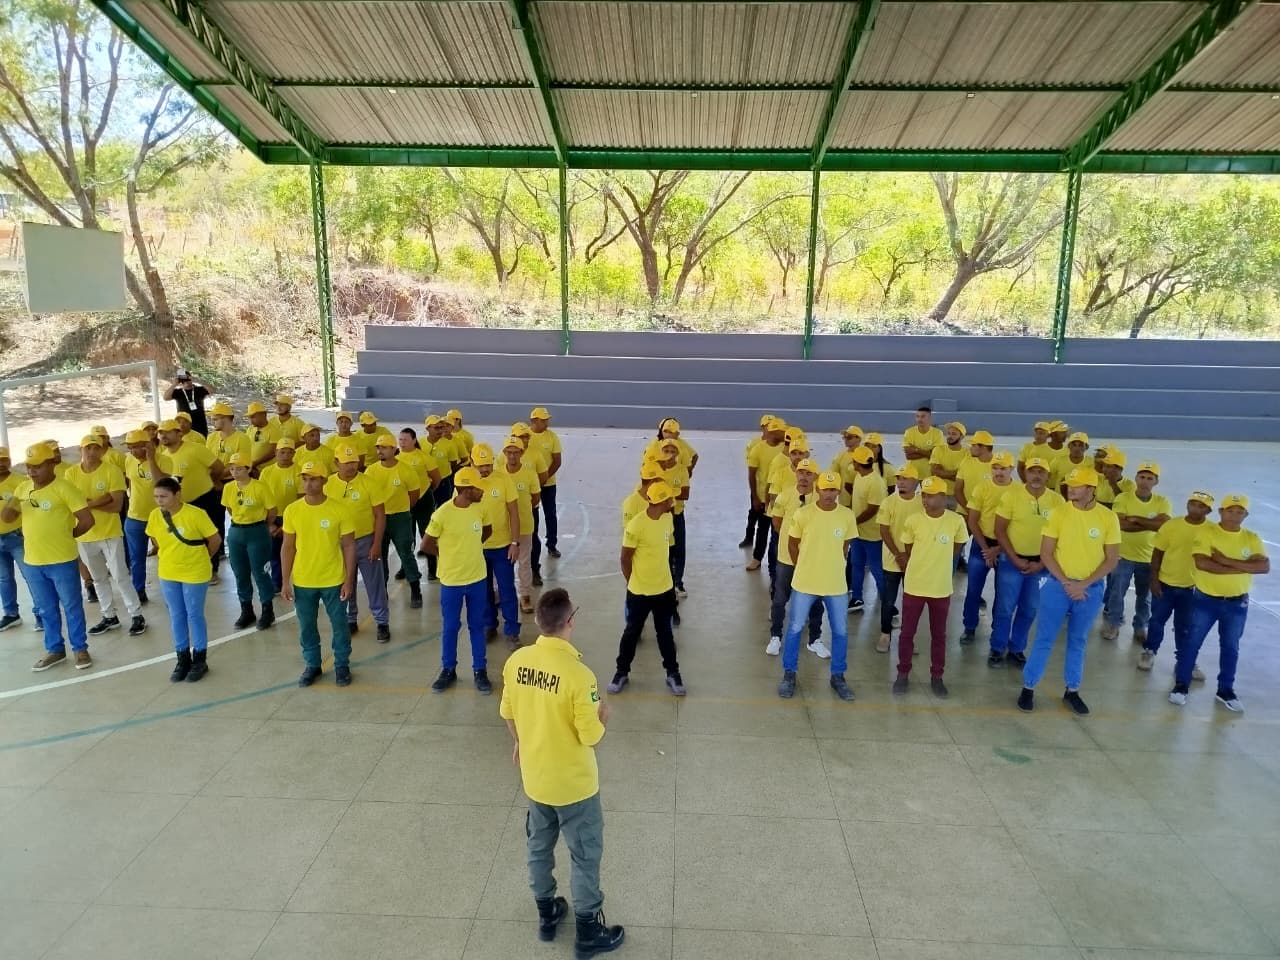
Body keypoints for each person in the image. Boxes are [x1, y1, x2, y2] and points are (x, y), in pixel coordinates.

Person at [500, 588, 625, 958]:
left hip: (536, 780)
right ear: (570, 621)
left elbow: (509, 714)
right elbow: (589, 736)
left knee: (538, 846)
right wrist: (603, 716)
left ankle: (546, 913)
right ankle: (588, 930)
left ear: (539, 621)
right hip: (575, 786)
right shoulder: (579, 675)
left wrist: (522, 742)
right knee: (585, 853)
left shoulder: (517, 662)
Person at [1017, 467, 1120, 716]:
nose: (1071, 489)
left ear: (1091, 489)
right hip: (1058, 586)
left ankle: (1072, 690)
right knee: (1044, 638)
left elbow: (1111, 559)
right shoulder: (1059, 513)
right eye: (1070, 485)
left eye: (1077, 485)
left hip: (1089, 590)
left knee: (1078, 640)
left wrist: (1082, 585)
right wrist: (1066, 583)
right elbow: (1046, 553)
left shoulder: (1108, 518)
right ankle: (1028, 687)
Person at [1171, 495, 1269, 712]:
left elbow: (1263, 566)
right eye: (1230, 511)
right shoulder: (1207, 533)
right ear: (1221, 512)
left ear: (1246, 515)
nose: (1234, 515)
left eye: (1239, 511)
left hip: (1237, 604)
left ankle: (1225, 690)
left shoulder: (1251, 537)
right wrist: (1244, 566)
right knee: (1192, 642)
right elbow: (1203, 563)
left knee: (1231, 647)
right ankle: (1181, 685)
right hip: (1206, 600)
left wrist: (1225, 561)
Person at [1, 443, 94, 670]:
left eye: (38, 466)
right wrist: (10, 503)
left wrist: (67, 536)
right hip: (33, 561)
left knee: (71, 605)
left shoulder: (65, 488)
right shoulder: (22, 489)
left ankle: (80, 649)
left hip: (62, 559)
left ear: (51, 464)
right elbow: (7, 517)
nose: (32, 471)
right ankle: (55, 649)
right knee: (46, 608)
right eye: (29, 466)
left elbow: (87, 520)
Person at [776, 471, 855, 701]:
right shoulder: (803, 514)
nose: (829, 494)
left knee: (840, 631)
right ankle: (789, 673)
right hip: (805, 582)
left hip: (835, 584)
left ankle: (838, 675)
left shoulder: (847, 516)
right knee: (795, 628)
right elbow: (792, 543)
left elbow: (845, 546)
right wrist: (804, 566)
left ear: (838, 491)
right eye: (825, 489)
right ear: (817, 490)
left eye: (833, 490)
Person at [282, 459, 357, 687]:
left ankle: (342, 664)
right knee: (306, 626)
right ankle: (312, 664)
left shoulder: (339, 509)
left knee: (340, 625)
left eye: (313, 479)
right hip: (304, 580)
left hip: (333, 579)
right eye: (304, 479)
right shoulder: (293, 510)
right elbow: (288, 546)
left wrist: (348, 579)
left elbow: (349, 546)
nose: (308, 483)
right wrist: (286, 580)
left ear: (324, 480)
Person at [609, 480, 685, 697]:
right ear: (661, 500)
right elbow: (625, 558)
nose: (673, 501)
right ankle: (621, 671)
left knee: (665, 633)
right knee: (631, 633)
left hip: (664, 590)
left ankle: (673, 673)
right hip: (640, 592)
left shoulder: (668, 519)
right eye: (670, 498)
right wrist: (633, 581)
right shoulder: (636, 526)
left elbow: (668, 551)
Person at [65, 434, 146, 637]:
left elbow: (116, 505)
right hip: (84, 535)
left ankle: (136, 615)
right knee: (98, 578)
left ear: (102, 450)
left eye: (96, 448)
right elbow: (70, 506)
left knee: (120, 575)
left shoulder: (112, 471)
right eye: (88, 448)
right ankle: (109, 616)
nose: (92, 452)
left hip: (110, 533)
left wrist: (87, 504)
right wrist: (101, 500)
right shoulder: (71, 474)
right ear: (80, 450)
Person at [893, 476, 967, 697]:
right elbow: (908, 547)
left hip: (940, 587)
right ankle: (903, 673)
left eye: (932, 495)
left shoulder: (955, 522)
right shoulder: (914, 521)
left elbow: (957, 545)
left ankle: (937, 676)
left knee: (939, 635)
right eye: (924, 495)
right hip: (915, 585)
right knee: (907, 633)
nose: (926, 499)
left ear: (944, 497)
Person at [423, 467, 492, 694]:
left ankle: (480, 670)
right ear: (465, 490)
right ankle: (448, 669)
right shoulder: (442, 513)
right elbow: (426, 545)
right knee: (451, 626)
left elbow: (487, 531)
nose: (482, 491)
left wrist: (470, 548)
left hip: (477, 578)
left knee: (477, 625)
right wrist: (448, 556)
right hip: (451, 581)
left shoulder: (480, 508)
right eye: (477, 488)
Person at [147, 477, 221, 682]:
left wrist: (202, 558)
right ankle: (182, 658)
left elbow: (215, 540)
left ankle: (200, 658)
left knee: (194, 614)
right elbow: (155, 539)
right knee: (176, 615)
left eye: (164, 496)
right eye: (156, 497)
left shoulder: (196, 514)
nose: (159, 501)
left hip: (194, 572)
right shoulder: (155, 516)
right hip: (168, 572)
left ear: (177, 494)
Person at [990, 456, 1061, 668]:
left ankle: (1017, 648)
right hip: (1012, 562)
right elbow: (999, 530)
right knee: (1004, 607)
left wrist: (1042, 563)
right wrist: (1014, 558)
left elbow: (1061, 535)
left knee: (1029, 609)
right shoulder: (1011, 496)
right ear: (1025, 474)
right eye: (1032, 471)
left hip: (1041, 566)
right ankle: (997, 647)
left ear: (1048, 475)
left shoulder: (1058, 501)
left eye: (1041, 472)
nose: (1036, 476)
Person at [1138, 491, 1213, 676]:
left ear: (1209, 510)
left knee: (1185, 626)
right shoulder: (1171, 525)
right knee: (1156, 621)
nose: (1195, 508)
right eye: (1193, 503)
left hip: (1193, 589)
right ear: (1187, 504)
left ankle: (1185, 660)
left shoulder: (1212, 531)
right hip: (1165, 584)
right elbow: (1157, 553)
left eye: (1201, 505)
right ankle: (1149, 651)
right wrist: (1154, 579)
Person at [325, 444, 389, 642]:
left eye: (354, 462)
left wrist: (377, 543)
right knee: (346, 582)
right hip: (341, 544)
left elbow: (380, 515)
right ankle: (350, 618)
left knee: (374, 583)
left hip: (365, 540)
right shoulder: (328, 485)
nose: (351, 466)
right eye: (346, 463)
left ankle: (382, 622)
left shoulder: (369, 483)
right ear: (336, 463)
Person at [1102, 461, 1170, 644]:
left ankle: (1140, 627)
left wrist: (1135, 520)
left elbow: (1163, 524)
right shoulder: (1123, 498)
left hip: (1148, 559)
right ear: (1136, 478)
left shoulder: (1161, 502)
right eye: (1142, 477)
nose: (1145, 481)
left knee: (1144, 596)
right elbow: (1120, 524)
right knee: (1117, 593)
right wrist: (1149, 524)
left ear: (1156, 481)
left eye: (1150, 478)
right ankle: (1114, 624)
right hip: (1122, 556)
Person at [766, 458, 824, 658]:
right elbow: (777, 524)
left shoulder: (821, 499)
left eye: (809, 474)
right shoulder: (785, 496)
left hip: (812, 559)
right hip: (786, 558)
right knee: (780, 597)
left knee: (816, 600)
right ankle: (775, 636)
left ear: (816, 477)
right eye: (801, 473)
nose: (804, 477)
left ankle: (815, 639)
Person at [155, 418, 225, 580]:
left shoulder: (195, 449)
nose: (163, 436)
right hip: (181, 504)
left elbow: (218, 467)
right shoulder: (163, 457)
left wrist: (213, 481)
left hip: (204, 498)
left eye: (168, 432)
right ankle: (194, 566)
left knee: (210, 534)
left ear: (179, 433)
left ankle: (211, 568)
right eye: (161, 433)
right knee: (190, 536)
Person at [960, 450, 1014, 644]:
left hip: (1006, 548)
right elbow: (973, 522)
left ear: (1012, 470)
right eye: (995, 468)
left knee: (1003, 594)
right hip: (981, 544)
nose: (998, 472)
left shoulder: (1017, 492)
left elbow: (1017, 526)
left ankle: (998, 632)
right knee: (973, 589)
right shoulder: (981, 488)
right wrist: (986, 549)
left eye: (1003, 468)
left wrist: (997, 549)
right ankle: (969, 626)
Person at [221, 453, 277, 630]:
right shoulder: (229, 488)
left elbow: (271, 510)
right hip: (237, 531)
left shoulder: (260, 487)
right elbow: (230, 508)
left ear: (248, 469)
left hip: (257, 531)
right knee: (240, 572)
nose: (235, 472)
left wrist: (263, 526)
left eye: (239, 468)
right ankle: (247, 610)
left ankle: (267, 609)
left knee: (260, 572)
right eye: (232, 469)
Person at [367, 433, 423, 607]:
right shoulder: (372, 471)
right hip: (378, 519)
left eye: (384, 447)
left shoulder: (405, 470)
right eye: (378, 447)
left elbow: (414, 493)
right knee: (379, 556)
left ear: (394, 450)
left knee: (405, 554)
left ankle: (415, 589)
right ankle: (382, 591)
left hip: (400, 518)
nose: (380, 450)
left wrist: (404, 509)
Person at [474, 444, 522, 645]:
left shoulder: (504, 481)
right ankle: (489, 625)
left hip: (502, 547)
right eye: (480, 465)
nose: (485, 469)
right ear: (472, 463)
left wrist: (515, 542)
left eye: (488, 464)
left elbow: (513, 513)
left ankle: (511, 630)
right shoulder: (467, 482)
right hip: (478, 548)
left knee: (506, 590)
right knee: (483, 591)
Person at [877, 464, 923, 654]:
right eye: (898, 478)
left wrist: (910, 556)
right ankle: (885, 634)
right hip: (892, 560)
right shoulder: (888, 502)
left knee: (911, 602)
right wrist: (898, 554)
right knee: (888, 600)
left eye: (905, 479)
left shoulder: (922, 503)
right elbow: (884, 530)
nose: (901, 482)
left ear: (916, 482)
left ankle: (907, 638)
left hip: (914, 561)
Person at [0, 445, 40, 631]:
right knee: (4, 578)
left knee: (31, 576)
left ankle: (41, 613)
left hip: (17, 536)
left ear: (9, 461)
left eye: (4, 460)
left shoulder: (21, 482)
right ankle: (11, 614)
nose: (1, 464)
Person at [503, 435, 542, 615]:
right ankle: (499, 593)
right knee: (502, 563)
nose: (512, 456)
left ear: (522, 453)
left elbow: (535, 498)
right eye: (509, 453)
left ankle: (525, 595)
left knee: (524, 562)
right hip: (502, 528)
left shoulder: (529, 474)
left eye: (515, 453)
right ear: (504, 453)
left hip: (525, 525)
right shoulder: (498, 473)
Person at [846, 445, 886, 615]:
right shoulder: (859, 476)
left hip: (872, 535)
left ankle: (887, 599)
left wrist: (854, 522)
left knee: (877, 568)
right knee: (857, 565)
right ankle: (857, 597)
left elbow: (872, 509)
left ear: (857, 463)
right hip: (858, 533)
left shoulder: (876, 482)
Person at [259, 437, 302, 594]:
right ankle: (277, 583)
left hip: (292, 519)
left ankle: (299, 582)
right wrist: (269, 524)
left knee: (295, 552)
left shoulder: (299, 472)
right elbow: (261, 498)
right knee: (274, 553)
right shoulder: (266, 472)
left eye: (289, 452)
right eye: (282, 452)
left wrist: (286, 526)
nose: (285, 455)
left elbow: (301, 501)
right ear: (276, 453)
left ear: (294, 453)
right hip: (271, 517)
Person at [745, 417, 787, 572]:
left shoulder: (785, 450)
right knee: (762, 530)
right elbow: (752, 475)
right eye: (782, 431)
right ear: (774, 432)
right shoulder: (758, 449)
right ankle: (757, 559)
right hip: (764, 498)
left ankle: (777, 564)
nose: (785, 434)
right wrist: (755, 497)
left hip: (782, 500)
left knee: (779, 534)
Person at [651, 437, 691, 598]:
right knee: (662, 550)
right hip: (659, 516)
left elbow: (685, 493)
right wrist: (673, 492)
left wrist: (665, 493)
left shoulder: (681, 470)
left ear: (677, 454)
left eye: (672, 451)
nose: (669, 453)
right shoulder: (655, 469)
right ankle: (661, 582)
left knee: (679, 550)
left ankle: (678, 582)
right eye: (666, 450)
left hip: (676, 515)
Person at [529, 406, 564, 578]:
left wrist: (544, 478)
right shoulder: (526, 437)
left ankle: (552, 544)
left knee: (550, 514)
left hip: (548, 483)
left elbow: (557, 461)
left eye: (547, 419)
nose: (546, 422)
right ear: (534, 421)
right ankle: (531, 545)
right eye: (543, 420)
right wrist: (534, 481)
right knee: (531, 515)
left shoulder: (552, 437)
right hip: (529, 486)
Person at [739, 414, 774, 549]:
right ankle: (749, 537)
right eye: (767, 426)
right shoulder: (754, 444)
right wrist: (755, 496)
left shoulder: (780, 446)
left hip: (773, 490)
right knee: (754, 513)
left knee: (766, 521)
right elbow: (751, 469)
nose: (769, 429)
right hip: (759, 488)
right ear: (762, 428)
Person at [164, 368, 212, 436]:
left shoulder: (199, 390)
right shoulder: (178, 392)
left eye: (187, 379)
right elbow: (166, 397)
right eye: (183, 380)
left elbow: (212, 390)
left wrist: (198, 381)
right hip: (183, 426)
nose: (186, 381)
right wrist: (174, 384)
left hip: (200, 425)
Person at [928, 420, 967, 502]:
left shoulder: (968, 453)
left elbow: (966, 477)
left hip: (959, 495)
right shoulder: (938, 449)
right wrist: (956, 473)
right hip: (940, 493)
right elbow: (934, 472)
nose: (950, 436)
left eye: (954, 434)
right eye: (948, 433)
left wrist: (943, 472)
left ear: (961, 437)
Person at [1051, 431, 1090, 497]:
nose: (1077, 448)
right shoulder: (1058, 461)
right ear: (1069, 446)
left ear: (1086, 447)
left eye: (1080, 445)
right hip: (1060, 500)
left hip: (1081, 500)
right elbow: (1046, 477)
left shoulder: (1091, 463)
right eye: (1074, 445)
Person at [245, 402, 281, 470]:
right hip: (251, 468)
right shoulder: (250, 428)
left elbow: (272, 452)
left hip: (267, 469)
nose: (250, 420)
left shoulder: (274, 430)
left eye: (253, 417)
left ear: (263, 414)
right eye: (249, 418)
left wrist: (255, 463)